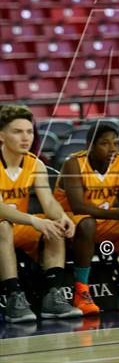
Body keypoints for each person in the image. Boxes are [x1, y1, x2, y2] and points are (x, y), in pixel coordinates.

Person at [54, 123, 119, 315]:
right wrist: (118, 214)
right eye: (105, 143)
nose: (112, 148)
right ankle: (81, 292)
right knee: (87, 223)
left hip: (103, 220)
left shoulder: (117, 161)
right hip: (68, 222)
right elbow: (78, 207)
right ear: (90, 145)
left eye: (116, 143)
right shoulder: (74, 163)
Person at [0, 104, 82, 322]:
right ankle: (13, 297)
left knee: (53, 225)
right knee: (3, 225)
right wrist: (34, 221)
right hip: (3, 228)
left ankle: (52, 297)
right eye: (17, 132)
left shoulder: (35, 164)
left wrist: (62, 217)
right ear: (1, 135)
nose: (25, 138)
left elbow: (48, 201)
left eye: (29, 132)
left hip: (19, 228)